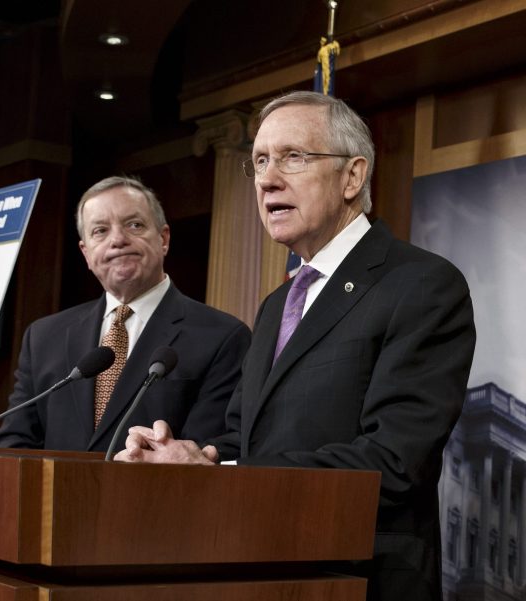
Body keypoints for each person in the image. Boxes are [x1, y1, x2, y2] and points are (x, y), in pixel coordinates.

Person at [116, 91, 476, 601]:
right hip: (264, 569)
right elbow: (247, 439)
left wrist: (227, 477)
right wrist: (190, 457)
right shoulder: (278, 303)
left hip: (359, 578)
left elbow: (394, 462)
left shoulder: (420, 285)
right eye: (260, 160)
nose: (266, 179)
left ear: (353, 177)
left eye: (293, 157)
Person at [0, 175, 251, 452]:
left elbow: (209, 449)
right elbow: (14, 443)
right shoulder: (43, 337)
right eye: (100, 231)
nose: (117, 240)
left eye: (134, 225)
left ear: (163, 239)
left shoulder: (222, 336)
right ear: (86, 253)